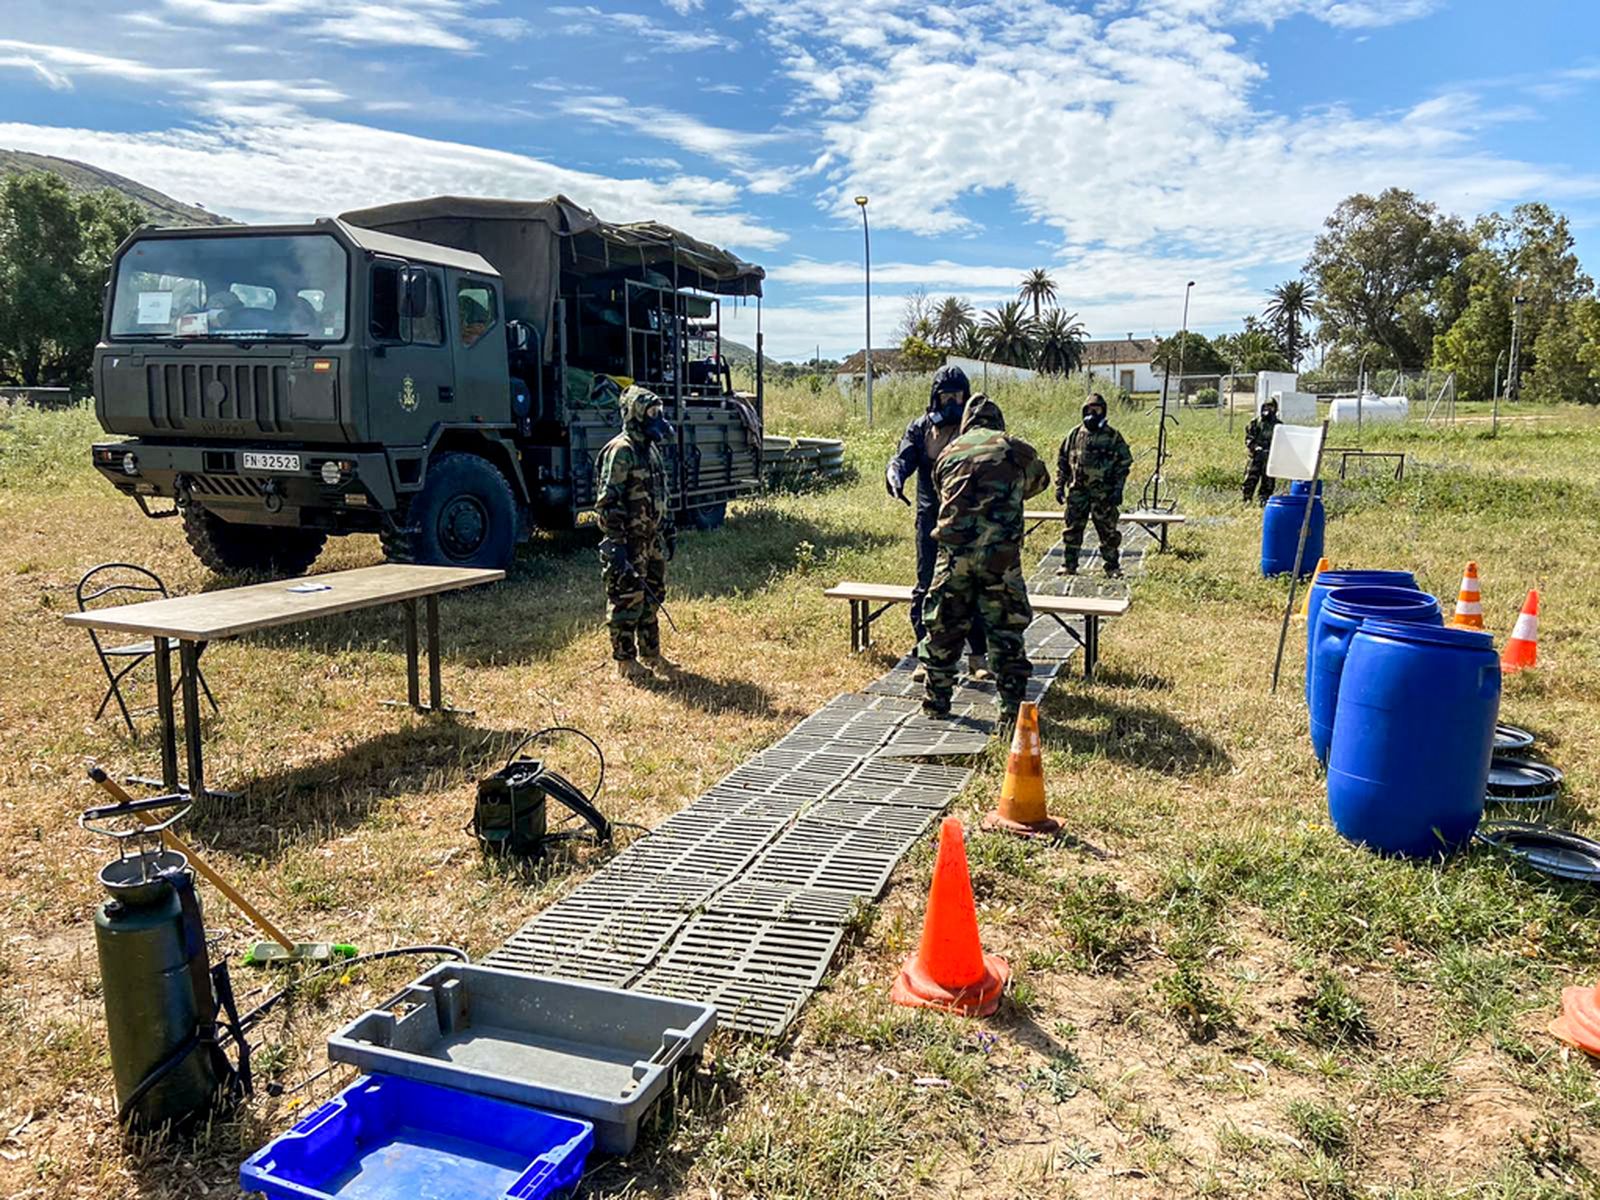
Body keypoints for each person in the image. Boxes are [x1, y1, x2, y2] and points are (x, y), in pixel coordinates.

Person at [918, 394, 1051, 726]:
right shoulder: (1016, 449)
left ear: (966, 423)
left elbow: (940, 491)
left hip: (954, 557)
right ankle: (1011, 713)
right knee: (1006, 632)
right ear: (998, 421)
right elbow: (1041, 481)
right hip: (1000, 558)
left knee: (944, 630)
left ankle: (937, 705)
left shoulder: (949, 452)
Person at [885, 364, 990, 681]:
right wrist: (895, 473)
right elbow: (903, 457)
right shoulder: (920, 428)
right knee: (926, 585)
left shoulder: (976, 429)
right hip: (931, 518)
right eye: (946, 397)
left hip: (969, 519)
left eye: (958, 396)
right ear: (935, 398)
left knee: (973, 584)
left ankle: (977, 657)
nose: (952, 403)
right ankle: (925, 654)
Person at [597, 386, 677, 682]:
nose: (657, 419)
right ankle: (625, 660)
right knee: (626, 597)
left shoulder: (650, 449)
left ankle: (651, 652)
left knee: (653, 595)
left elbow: (660, 492)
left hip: (651, 537)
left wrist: (667, 528)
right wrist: (616, 543)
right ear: (635, 414)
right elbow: (608, 502)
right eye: (651, 412)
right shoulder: (622, 451)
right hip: (628, 541)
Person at [1056, 393, 1133, 577]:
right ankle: (1069, 564)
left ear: (1103, 411)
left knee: (1108, 532)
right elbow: (1063, 461)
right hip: (1077, 493)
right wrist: (1059, 486)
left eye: (1096, 410)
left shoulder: (1113, 436)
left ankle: (1112, 567)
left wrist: (1118, 489)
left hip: (1103, 495)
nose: (1092, 413)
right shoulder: (1074, 434)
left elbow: (1124, 463)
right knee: (1072, 530)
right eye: (1089, 410)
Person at [1242, 396, 1281, 505]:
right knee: (1250, 479)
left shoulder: (1278, 425)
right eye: (1265, 406)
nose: (1268, 409)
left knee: (1268, 482)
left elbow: (1281, 441)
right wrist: (1255, 448)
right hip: (1255, 457)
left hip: (1270, 458)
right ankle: (1247, 499)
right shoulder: (1255, 423)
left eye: (1271, 407)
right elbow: (1249, 439)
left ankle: (1263, 501)